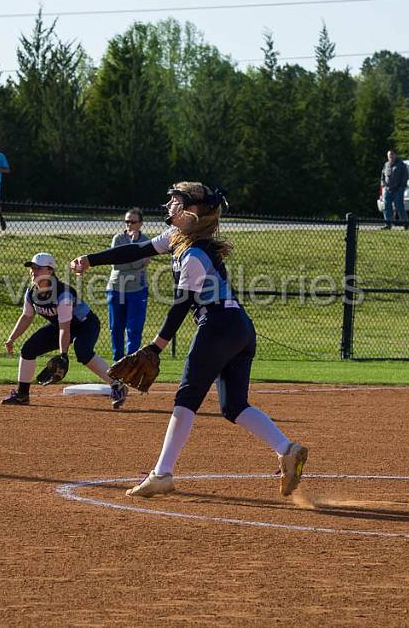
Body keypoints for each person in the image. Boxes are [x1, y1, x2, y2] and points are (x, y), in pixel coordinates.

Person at [70, 182, 309, 498]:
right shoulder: (178, 239)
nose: (169, 204)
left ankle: (162, 474)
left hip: (218, 325)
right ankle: (287, 449)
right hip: (239, 328)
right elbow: (136, 250)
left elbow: (182, 303)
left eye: (176, 200)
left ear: (192, 211)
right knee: (234, 405)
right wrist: (90, 259)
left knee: (186, 398)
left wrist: (155, 347)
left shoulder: (194, 253)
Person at [2, 252, 128, 409]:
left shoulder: (63, 294)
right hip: (62, 326)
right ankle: (22, 395)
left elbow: (65, 328)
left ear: (50, 271)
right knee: (28, 349)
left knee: (82, 351)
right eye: (32, 268)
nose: (33, 271)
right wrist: (12, 338)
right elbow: (26, 316)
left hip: (85, 324)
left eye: (38, 268)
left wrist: (63, 355)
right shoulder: (32, 292)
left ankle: (117, 385)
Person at [105, 208, 152, 361]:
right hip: (116, 288)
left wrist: (131, 256)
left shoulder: (146, 240)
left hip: (137, 290)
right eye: (127, 221)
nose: (129, 225)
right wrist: (137, 261)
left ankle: (131, 362)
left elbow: (146, 262)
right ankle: (117, 361)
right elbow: (116, 263)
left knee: (134, 328)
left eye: (133, 222)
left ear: (140, 224)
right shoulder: (118, 239)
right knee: (116, 328)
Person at [381, 149, 409, 230]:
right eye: (389, 155)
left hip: (398, 190)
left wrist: (401, 187)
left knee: (399, 207)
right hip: (388, 190)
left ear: (395, 155)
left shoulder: (401, 165)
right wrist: (383, 185)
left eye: (392, 155)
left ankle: (406, 223)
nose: (391, 156)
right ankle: (388, 224)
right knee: (386, 207)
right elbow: (382, 176)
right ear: (387, 156)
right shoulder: (386, 165)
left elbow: (405, 176)